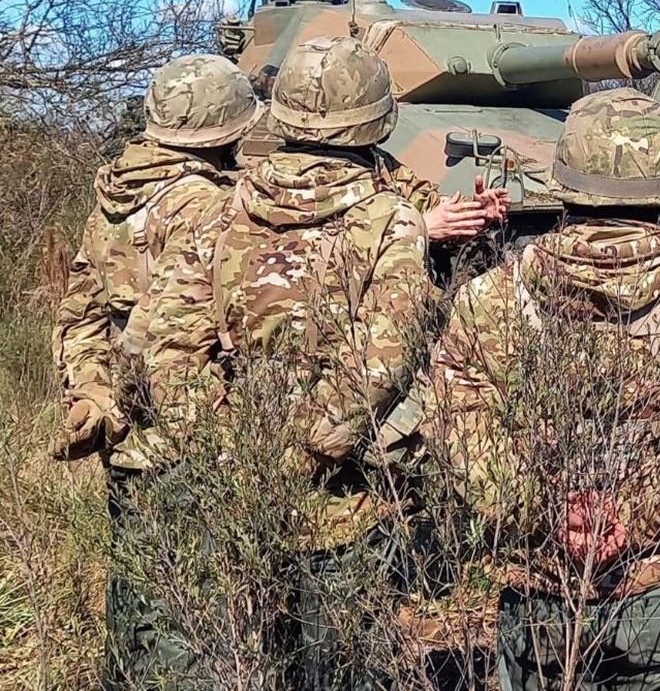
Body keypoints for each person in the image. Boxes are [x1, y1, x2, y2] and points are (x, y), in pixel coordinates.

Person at [427, 87, 660, 690]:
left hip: (540, 583)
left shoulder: (488, 299)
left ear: (565, 183)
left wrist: (544, 510)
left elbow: (456, 427)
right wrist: (635, 515)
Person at [142, 36, 436, 688]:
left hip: (237, 492)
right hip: (346, 498)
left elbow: (170, 347)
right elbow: (387, 356)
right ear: (375, 118)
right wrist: (307, 452)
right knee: (346, 662)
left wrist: (222, 454)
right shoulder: (389, 219)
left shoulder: (218, 207)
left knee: (247, 659)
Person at [50, 53, 262, 686]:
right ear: (230, 126)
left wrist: (93, 393)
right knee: (191, 613)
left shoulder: (115, 195)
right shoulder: (211, 205)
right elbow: (192, 328)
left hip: (123, 429)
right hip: (190, 432)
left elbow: (79, 312)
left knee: (137, 586)